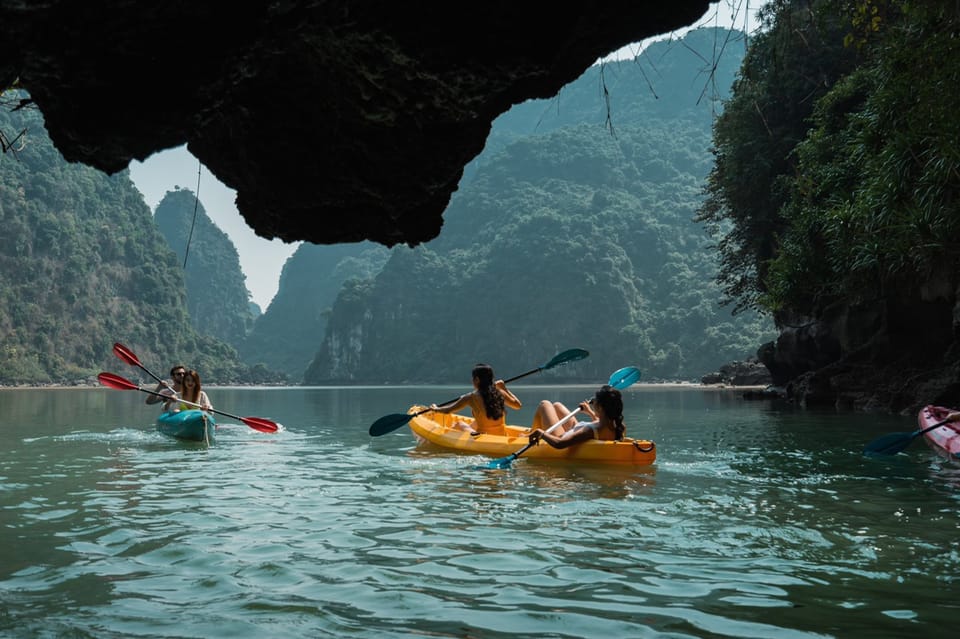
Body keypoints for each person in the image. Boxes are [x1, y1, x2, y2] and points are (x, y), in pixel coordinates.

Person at [429, 363, 522, 436]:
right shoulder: (499, 393)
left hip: (484, 437)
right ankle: (471, 432)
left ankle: (465, 435)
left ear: (477, 379)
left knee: (459, 424)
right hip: (502, 436)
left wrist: (435, 408)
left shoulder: (470, 397)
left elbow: (447, 410)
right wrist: (504, 388)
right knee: (475, 422)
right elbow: (518, 405)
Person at [527, 384, 626, 449]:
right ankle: (533, 431)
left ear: (600, 408)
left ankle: (532, 433)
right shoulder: (617, 426)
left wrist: (541, 433)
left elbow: (560, 444)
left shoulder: (589, 431)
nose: (592, 402)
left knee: (545, 404)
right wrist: (590, 412)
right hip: (575, 429)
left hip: (560, 436)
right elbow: (599, 425)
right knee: (557, 405)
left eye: (595, 401)